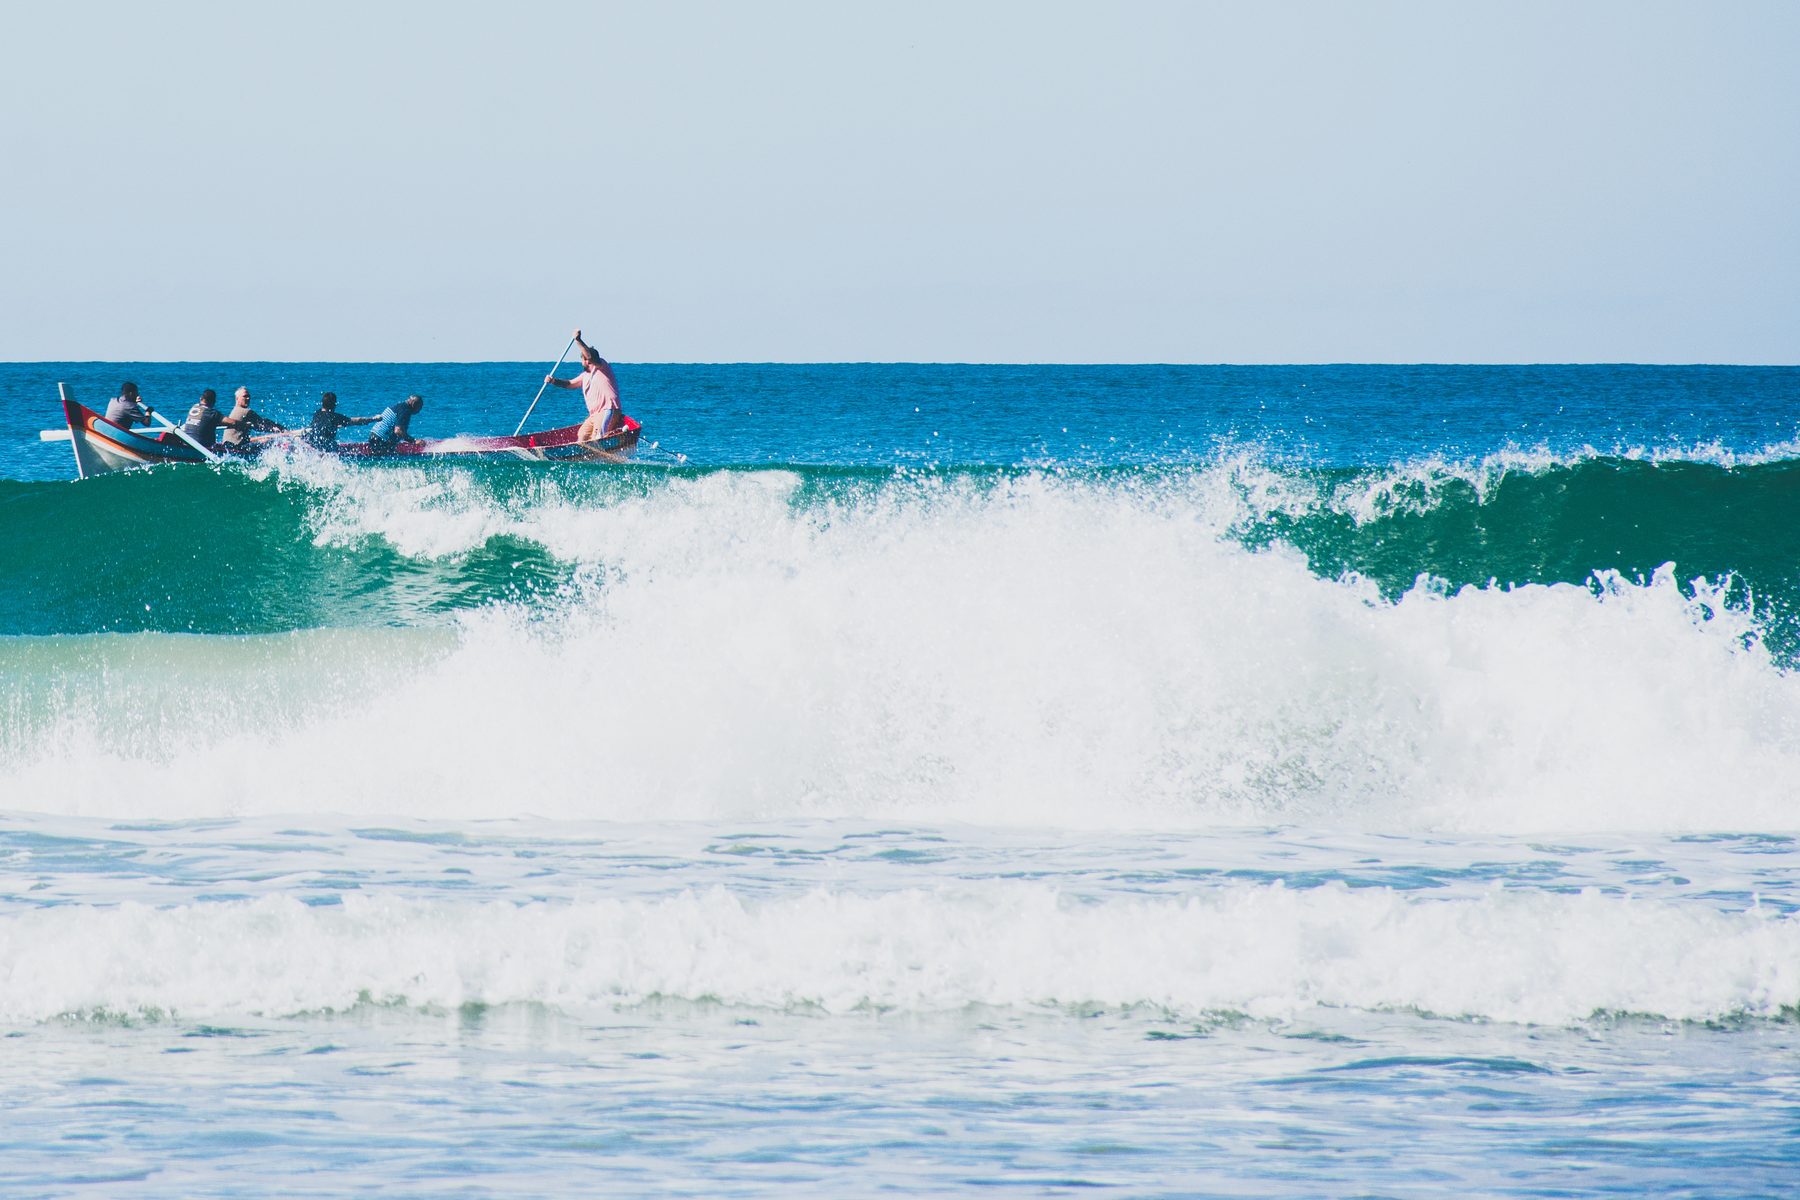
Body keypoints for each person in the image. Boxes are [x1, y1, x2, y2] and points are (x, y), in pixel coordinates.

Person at [545, 328, 625, 441]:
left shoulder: (602, 367)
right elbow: (570, 384)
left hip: (608, 409)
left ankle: (605, 448)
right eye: (583, 359)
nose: (583, 362)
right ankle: (582, 452)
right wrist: (553, 381)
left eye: (584, 359)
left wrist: (578, 340)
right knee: (582, 436)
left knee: (598, 437)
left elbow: (590, 357)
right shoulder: (585, 376)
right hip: (594, 415)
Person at [218, 386, 286, 450]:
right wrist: (281, 429)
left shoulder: (234, 410)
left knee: (263, 439)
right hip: (237, 446)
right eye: (245, 396)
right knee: (271, 442)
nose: (248, 398)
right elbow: (263, 423)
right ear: (237, 398)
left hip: (228, 444)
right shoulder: (246, 412)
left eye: (248, 396)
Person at [305, 391, 376, 450]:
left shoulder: (317, 414)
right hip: (326, 449)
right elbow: (357, 421)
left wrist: (336, 425)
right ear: (334, 405)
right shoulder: (335, 417)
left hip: (312, 444)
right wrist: (374, 419)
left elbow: (323, 425)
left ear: (322, 403)